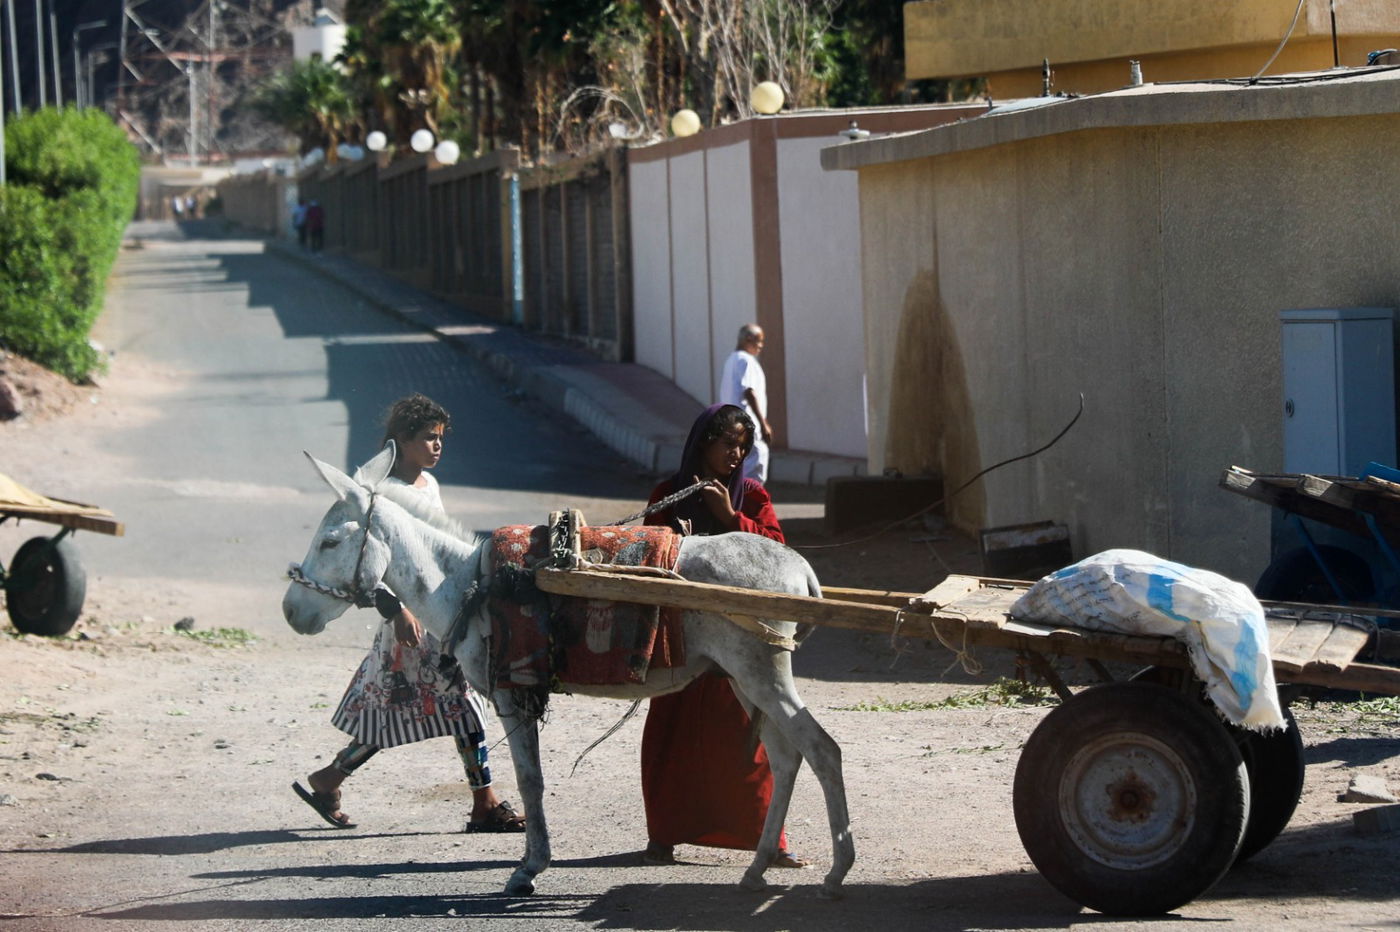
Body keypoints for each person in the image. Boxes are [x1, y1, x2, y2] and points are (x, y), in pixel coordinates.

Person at [292, 394, 525, 834]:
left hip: (442, 612)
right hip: (411, 622)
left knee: (412, 711)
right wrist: (396, 610)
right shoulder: (382, 494)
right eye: (427, 439)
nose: (438, 447)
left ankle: (330, 778)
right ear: (401, 441)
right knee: (459, 707)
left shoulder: (427, 486)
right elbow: (369, 560)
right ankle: (484, 804)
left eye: (440, 438)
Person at [638, 403, 807, 869]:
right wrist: (676, 541)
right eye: (726, 444)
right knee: (670, 733)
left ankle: (769, 840)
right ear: (702, 444)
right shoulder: (668, 493)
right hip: (679, 633)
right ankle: (664, 838)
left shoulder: (750, 495)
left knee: (747, 734)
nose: (735, 454)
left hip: (738, 635)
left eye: (742, 446)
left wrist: (730, 517)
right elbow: (646, 554)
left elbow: (777, 553)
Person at [718, 324, 773, 482]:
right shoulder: (746, 360)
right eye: (759, 341)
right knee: (755, 468)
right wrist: (763, 423)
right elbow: (749, 391)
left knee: (740, 467)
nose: (761, 346)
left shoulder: (731, 360)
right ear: (749, 339)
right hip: (748, 424)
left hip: (733, 423)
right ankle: (749, 504)